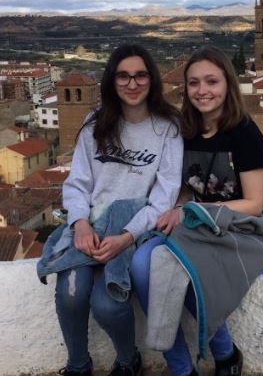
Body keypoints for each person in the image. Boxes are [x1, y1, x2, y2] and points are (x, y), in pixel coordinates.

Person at [131, 46, 263, 376]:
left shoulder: (244, 134)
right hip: (196, 226)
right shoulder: (185, 131)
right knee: (141, 266)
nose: (202, 90)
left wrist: (191, 210)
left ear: (227, 84)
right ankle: (181, 368)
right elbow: (184, 189)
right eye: (194, 83)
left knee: (197, 281)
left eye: (211, 81)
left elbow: (253, 204)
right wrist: (181, 208)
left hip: (244, 232)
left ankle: (224, 355)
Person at [41, 44, 183, 376]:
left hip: (136, 230)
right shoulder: (96, 123)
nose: (132, 84)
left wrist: (125, 236)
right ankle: (77, 366)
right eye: (123, 76)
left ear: (151, 79)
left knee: (107, 305)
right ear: (111, 80)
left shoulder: (168, 129)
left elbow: (164, 197)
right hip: (90, 226)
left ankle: (128, 360)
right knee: (72, 293)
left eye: (140, 75)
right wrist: (79, 223)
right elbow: (78, 182)